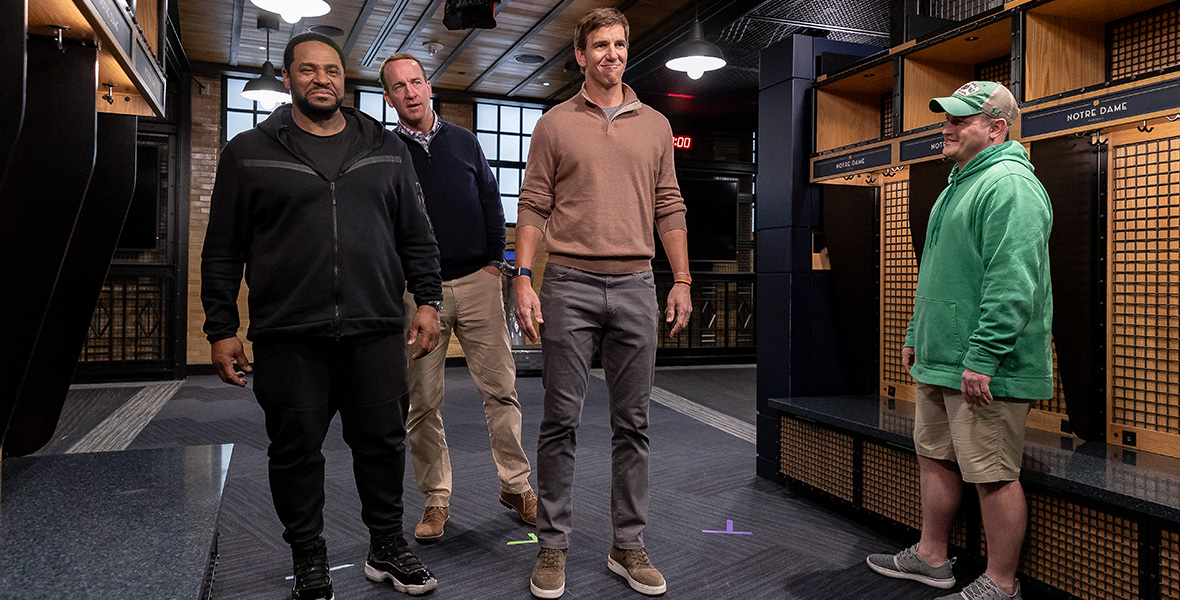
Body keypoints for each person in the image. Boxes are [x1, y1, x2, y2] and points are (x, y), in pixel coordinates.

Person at [201, 32, 444, 600]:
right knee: (294, 451)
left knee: (382, 444)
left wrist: (428, 301)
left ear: (344, 79)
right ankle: (308, 554)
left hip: (375, 329)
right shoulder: (248, 151)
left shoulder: (386, 148)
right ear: (287, 79)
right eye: (308, 70)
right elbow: (222, 249)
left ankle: (386, 546)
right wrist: (221, 329)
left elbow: (417, 236)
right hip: (289, 335)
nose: (322, 79)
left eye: (332, 71)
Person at [512, 8, 692, 598]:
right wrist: (522, 278)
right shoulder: (554, 125)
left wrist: (683, 280)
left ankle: (627, 544)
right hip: (569, 284)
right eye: (599, 45)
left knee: (633, 425)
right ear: (581, 55)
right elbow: (534, 204)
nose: (611, 53)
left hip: (638, 285)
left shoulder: (657, 125)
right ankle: (552, 546)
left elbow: (670, 206)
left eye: (619, 44)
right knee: (559, 422)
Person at [865, 81, 1053, 600]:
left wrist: (985, 356)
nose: (945, 127)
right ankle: (931, 557)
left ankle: (1000, 583)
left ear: (996, 128)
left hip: (985, 366)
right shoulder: (960, 182)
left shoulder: (1010, 185)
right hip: (941, 357)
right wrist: (915, 334)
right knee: (936, 457)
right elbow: (941, 274)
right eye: (945, 118)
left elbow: (1014, 283)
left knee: (992, 474)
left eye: (959, 120)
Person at [378, 52, 537, 542]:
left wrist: (497, 262)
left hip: (478, 282)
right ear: (389, 98)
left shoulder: (465, 142)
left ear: (429, 87)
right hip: (418, 294)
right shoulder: (385, 151)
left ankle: (516, 485)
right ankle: (436, 499)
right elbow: (381, 219)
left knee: (501, 391)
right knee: (423, 402)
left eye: (416, 82)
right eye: (399, 86)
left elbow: (492, 202)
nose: (410, 91)